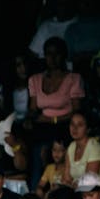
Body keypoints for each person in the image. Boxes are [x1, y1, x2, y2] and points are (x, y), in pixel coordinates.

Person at [25, 37, 84, 189]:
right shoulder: (35, 79)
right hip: (43, 126)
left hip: (66, 125)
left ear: (64, 55)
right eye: (49, 54)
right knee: (38, 151)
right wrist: (30, 118)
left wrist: (53, 120)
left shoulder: (73, 78)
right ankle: (35, 192)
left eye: (57, 53)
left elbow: (77, 111)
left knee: (55, 147)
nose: (52, 58)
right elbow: (33, 109)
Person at [62, 110, 100, 190]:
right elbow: (66, 178)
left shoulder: (94, 148)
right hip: (75, 191)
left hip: (92, 194)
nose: (74, 128)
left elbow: (88, 182)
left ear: (88, 129)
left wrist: (71, 184)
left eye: (80, 125)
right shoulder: (71, 147)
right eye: (72, 124)